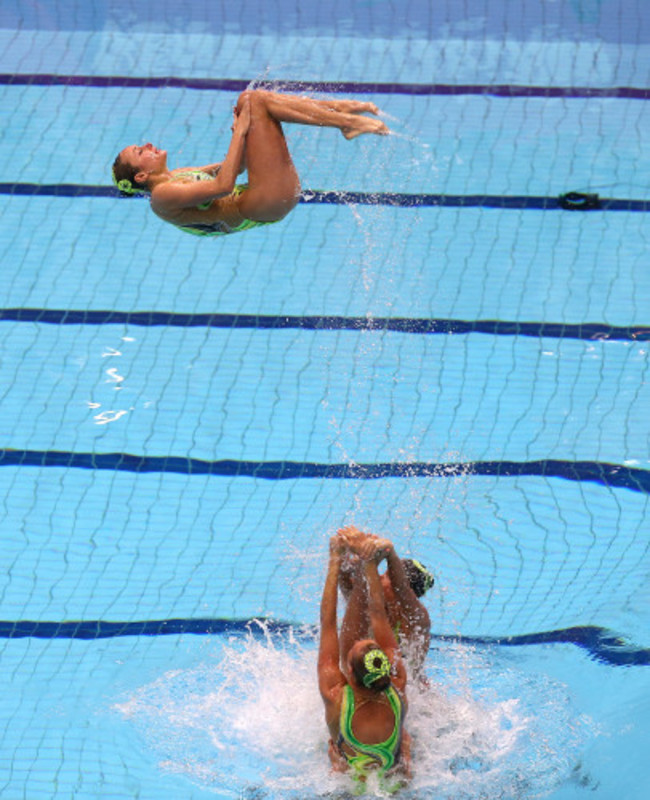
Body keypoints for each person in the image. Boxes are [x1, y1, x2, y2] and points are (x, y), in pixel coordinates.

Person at [111, 89, 389, 237]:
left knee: (249, 101)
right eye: (140, 151)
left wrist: (238, 133)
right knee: (254, 103)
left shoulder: (176, 176)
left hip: (259, 195)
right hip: (265, 203)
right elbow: (223, 185)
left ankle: (337, 112)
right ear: (141, 176)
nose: (147, 145)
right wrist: (242, 132)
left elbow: (237, 166)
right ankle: (345, 121)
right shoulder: (163, 196)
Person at [318, 527, 412, 793]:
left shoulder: (335, 697)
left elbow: (327, 623)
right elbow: (379, 616)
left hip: (347, 790)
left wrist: (334, 559)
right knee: (405, 745)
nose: (360, 638)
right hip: (393, 789)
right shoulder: (398, 685)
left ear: (348, 671)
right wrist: (370, 566)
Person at [338, 525, 433, 683]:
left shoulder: (416, 618)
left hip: (411, 698)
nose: (379, 577)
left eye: (386, 576)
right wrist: (349, 555)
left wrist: (389, 552)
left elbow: (401, 588)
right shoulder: (370, 605)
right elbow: (347, 586)